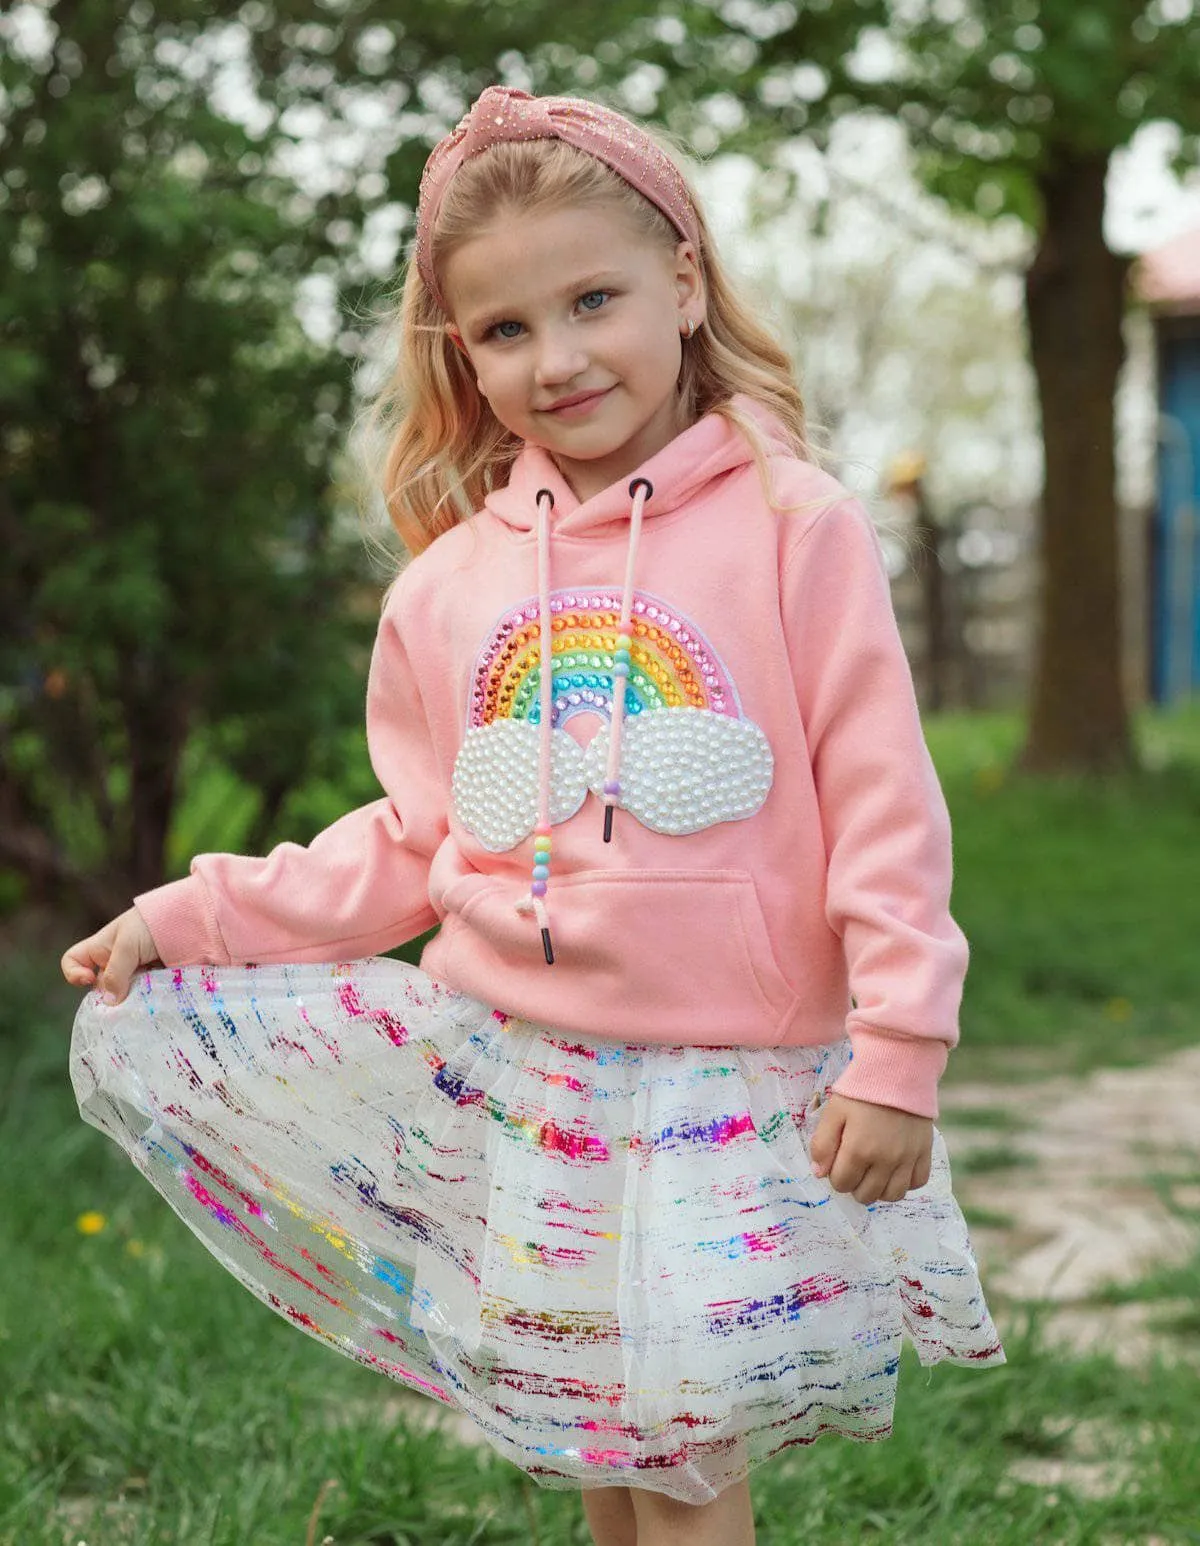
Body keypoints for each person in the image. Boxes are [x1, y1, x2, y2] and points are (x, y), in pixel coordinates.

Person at [62, 85, 1003, 1546]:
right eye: (505, 330)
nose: (557, 359)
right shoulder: (447, 592)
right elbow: (413, 838)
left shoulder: (789, 523)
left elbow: (885, 803)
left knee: (687, 1458)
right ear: (462, 351)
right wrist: (188, 916)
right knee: (602, 1462)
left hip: (719, 1088)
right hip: (532, 1080)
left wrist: (900, 1049)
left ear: (684, 282)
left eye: (593, 301)